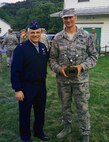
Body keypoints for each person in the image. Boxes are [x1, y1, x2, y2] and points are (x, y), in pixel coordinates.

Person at [50, 8, 98, 142]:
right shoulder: (57, 38)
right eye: (66, 18)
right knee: (65, 106)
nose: (68, 20)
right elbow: (52, 59)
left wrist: (82, 66)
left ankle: (85, 131)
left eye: (70, 17)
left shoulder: (86, 36)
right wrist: (59, 69)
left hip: (80, 81)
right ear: (63, 20)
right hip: (63, 81)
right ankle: (67, 127)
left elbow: (94, 56)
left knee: (82, 107)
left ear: (75, 18)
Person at [11, 20, 50, 142]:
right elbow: (15, 70)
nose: (35, 35)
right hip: (26, 86)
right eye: (32, 32)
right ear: (28, 33)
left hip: (41, 85)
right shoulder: (21, 48)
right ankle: (25, 136)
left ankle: (39, 132)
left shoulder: (43, 47)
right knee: (25, 113)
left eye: (37, 32)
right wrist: (17, 89)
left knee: (40, 111)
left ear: (41, 32)